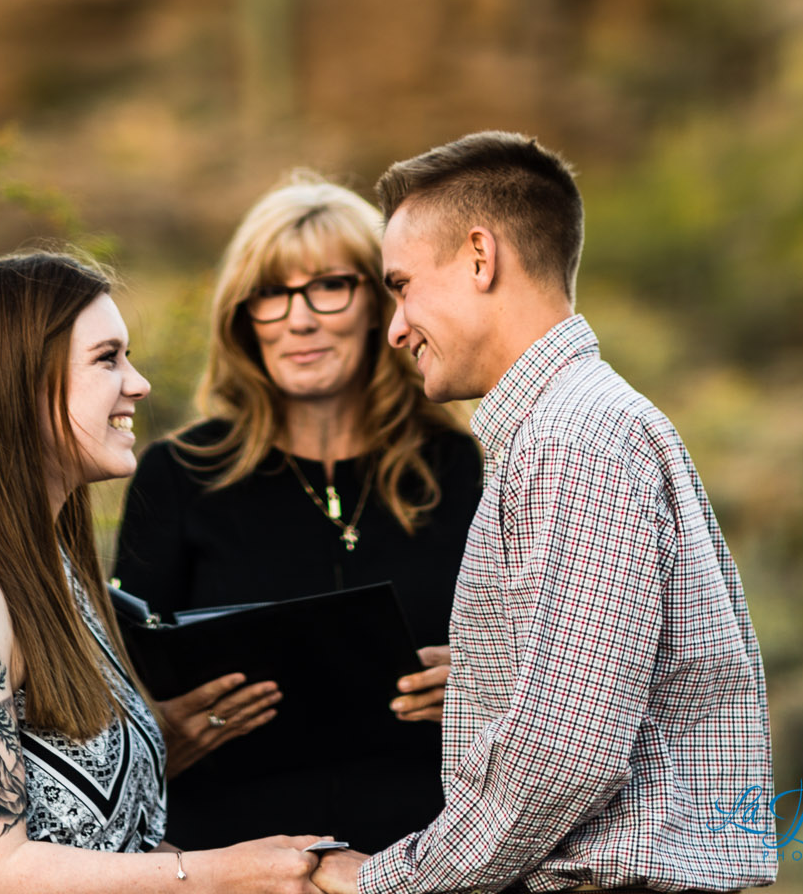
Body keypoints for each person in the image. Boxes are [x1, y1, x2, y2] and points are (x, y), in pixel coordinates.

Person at [310, 132, 777, 894]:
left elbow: (566, 750)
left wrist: (387, 882)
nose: (394, 327)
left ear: (479, 257)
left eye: (401, 286)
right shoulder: (577, 425)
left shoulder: (569, 439)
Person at [0, 248, 327, 894]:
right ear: (19, 381)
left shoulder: (49, 566)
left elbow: (104, 842)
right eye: (107, 359)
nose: (137, 383)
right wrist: (224, 873)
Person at [116, 177, 483, 857]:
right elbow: (122, 682)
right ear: (243, 316)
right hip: (234, 854)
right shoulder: (177, 475)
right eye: (271, 293)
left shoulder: (460, 466)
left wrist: (483, 681)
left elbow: (532, 658)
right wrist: (159, 732)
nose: (299, 318)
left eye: (329, 286)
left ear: (382, 302)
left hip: (427, 852)